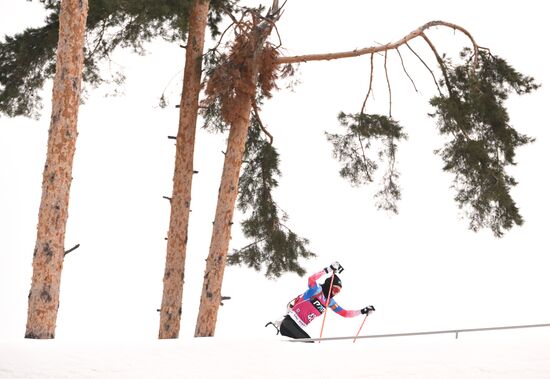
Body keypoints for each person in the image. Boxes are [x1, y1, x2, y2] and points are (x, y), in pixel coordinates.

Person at [279, 262, 375, 340]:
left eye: (338, 291)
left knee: (306, 347)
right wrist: (327, 269)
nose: (336, 293)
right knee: (309, 345)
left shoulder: (329, 302)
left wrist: (362, 311)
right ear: (329, 284)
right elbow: (311, 279)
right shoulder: (316, 290)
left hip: (298, 327)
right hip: (289, 323)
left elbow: (345, 313)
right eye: (335, 289)